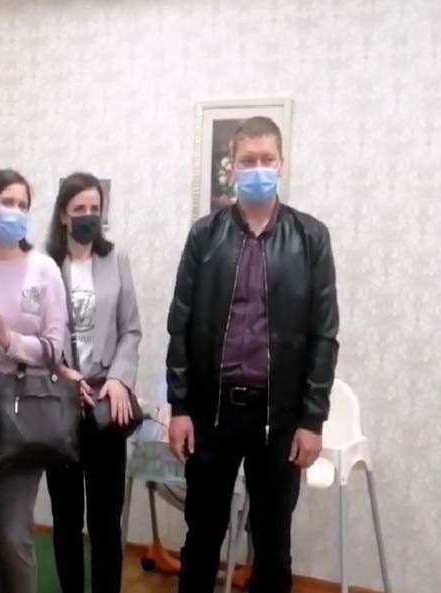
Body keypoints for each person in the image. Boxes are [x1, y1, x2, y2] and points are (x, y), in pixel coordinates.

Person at [166, 116, 339, 593]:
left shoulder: (311, 238)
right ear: (232, 166)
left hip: (280, 419)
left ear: (282, 163)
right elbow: (179, 324)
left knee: (273, 545)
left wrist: (313, 419)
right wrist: (179, 407)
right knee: (202, 536)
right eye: (248, 160)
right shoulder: (205, 236)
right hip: (212, 412)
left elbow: (324, 335)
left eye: (267, 159)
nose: (258, 168)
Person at [0, 169, 67, 593]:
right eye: (8, 202)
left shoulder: (44, 270)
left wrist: (10, 342)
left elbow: (54, 348)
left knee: (13, 534)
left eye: (23, 205)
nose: (16, 212)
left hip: (26, 412)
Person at [43, 172, 142, 593]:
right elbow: (38, 335)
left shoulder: (116, 259)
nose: (88, 216)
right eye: (79, 209)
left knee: (105, 521)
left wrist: (119, 379)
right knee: (66, 518)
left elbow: (131, 330)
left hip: (105, 404)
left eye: (95, 209)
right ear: (64, 215)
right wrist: (63, 372)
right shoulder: (45, 264)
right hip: (61, 403)